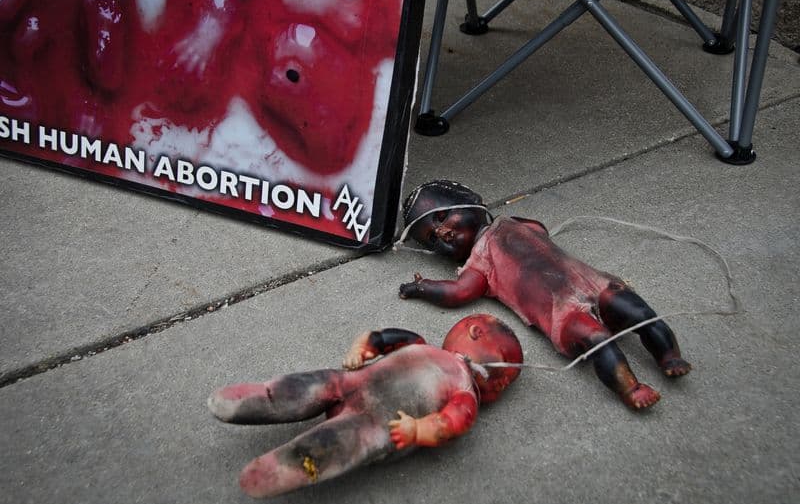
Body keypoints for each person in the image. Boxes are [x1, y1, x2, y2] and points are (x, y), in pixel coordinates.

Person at [398, 180, 692, 410]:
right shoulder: (478, 265)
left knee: (641, 314)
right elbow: (458, 291)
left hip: (593, 283)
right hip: (562, 311)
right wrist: (422, 287)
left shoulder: (509, 222)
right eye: (433, 239)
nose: (443, 232)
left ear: (472, 201)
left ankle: (669, 355)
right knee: (598, 339)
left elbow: (538, 229)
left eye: (442, 216)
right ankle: (630, 388)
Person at [208, 313, 523, 498]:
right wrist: (361, 350)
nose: (501, 385)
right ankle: (261, 397)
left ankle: (288, 465)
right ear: (475, 331)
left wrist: (417, 430)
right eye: (506, 373)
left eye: (505, 384)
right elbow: (380, 338)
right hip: (351, 382)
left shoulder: (464, 393)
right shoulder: (419, 344)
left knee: (340, 442)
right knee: (312, 385)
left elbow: (452, 423)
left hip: (378, 423)